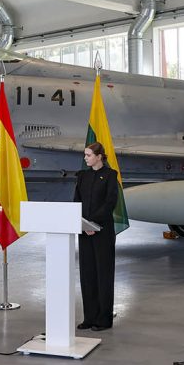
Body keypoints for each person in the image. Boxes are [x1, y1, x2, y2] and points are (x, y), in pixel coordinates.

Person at [74, 142, 120, 331]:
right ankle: (90, 317)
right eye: (85, 155)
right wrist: (83, 223)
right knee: (88, 274)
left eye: (89, 155)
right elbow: (76, 200)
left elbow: (110, 202)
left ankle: (104, 318)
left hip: (102, 231)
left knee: (103, 274)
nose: (85, 158)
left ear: (99, 156)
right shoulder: (82, 176)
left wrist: (93, 222)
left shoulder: (110, 176)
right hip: (84, 231)